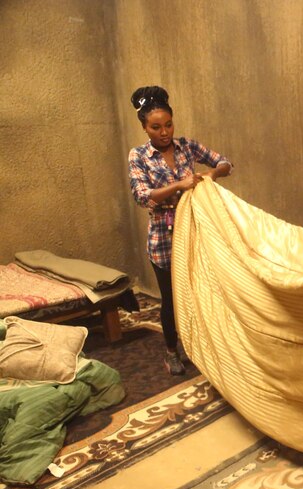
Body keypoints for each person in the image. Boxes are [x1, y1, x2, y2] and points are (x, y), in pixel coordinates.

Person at [128, 85, 233, 376]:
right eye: (156, 127)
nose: (164, 132)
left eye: (168, 124)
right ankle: (172, 351)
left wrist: (212, 173)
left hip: (195, 232)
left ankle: (201, 346)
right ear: (145, 128)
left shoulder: (187, 146)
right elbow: (141, 196)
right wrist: (178, 186)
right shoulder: (138, 156)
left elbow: (226, 162)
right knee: (171, 297)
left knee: (201, 291)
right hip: (163, 237)